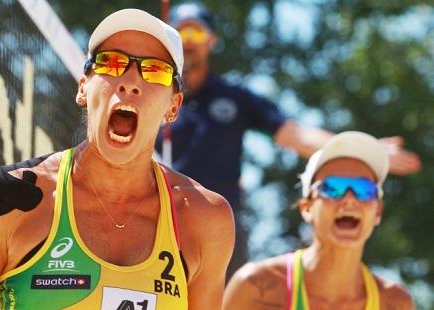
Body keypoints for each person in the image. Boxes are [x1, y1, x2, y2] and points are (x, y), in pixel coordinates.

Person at [0, 8, 234, 310]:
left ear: (173, 106)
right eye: (111, 62)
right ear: (83, 88)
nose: (131, 81)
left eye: (155, 70)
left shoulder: (206, 219)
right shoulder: (10, 197)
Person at [156, 0, 422, 279]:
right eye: (180, 33)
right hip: (160, 225)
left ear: (211, 40)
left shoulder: (235, 98)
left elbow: (297, 135)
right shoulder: (151, 92)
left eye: (196, 33)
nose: (188, 41)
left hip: (221, 232)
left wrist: (364, 149)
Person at [218, 131, 415, 310]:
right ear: (307, 207)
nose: (349, 199)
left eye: (364, 189)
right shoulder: (254, 287)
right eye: (333, 188)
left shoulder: (394, 306)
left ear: (378, 211)